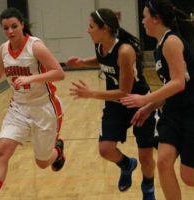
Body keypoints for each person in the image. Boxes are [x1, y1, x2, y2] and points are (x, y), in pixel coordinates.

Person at [0, 7, 66, 200]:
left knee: (43, 163)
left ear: (22, 26)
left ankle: (58, 150)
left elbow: (59, 73)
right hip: (18, 108)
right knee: (2, 151)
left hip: (43, 107)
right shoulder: (3, 49)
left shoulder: (35, 46)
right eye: (5, 28)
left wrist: (31, 79)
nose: (10, 31)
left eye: (14, 26)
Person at [120, 0, 194, 199]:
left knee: (189, 176)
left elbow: (178, 83)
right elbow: (170, 89)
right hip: (173, 113)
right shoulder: (160, 44)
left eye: (145, 17)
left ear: (156, 19)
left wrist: (145, 99)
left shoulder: (171, 41)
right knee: (164, 162)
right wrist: (150, 106)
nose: (142, 21)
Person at [66, 8, 157, 200]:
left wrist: (90, 93)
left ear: (104, 28)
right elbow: (103, 61)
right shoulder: (100, 46)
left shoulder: (125, 51)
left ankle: (148, 186)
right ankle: (126, 165)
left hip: (139, 103)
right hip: (116, 106)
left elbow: (125, 91)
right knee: (105, 149)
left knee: (146, 156)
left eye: (91, 26)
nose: (88, 30)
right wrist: (83, 62)